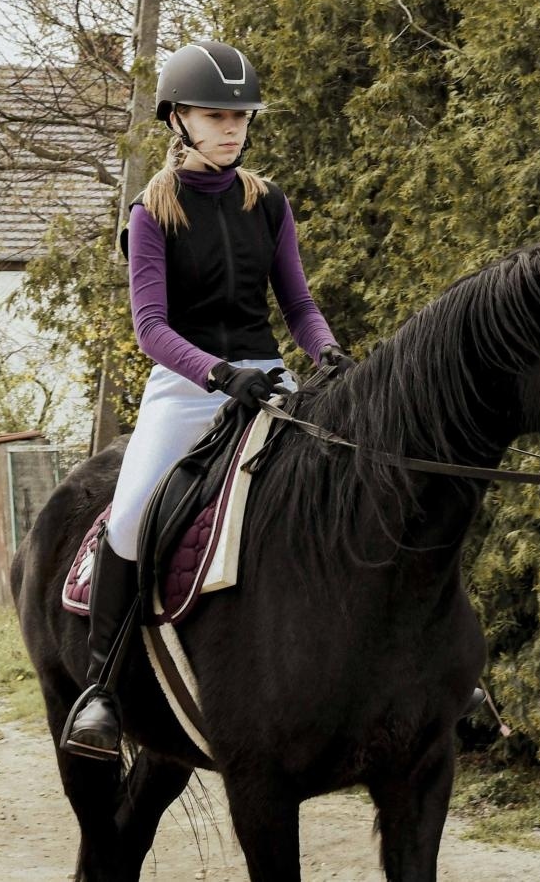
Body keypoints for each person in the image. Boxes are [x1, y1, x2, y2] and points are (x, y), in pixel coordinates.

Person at [62, 40, 353, 761]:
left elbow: (298, 303)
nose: (233, 127)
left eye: (241, 115)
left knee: (356, 481)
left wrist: (328, 353)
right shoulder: (151, 213)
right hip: (188, 388)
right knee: (128, 518)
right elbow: (151, 328)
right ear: (179, 120)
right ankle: (100, 688)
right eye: (216, 114)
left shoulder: (267, 201)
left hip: (271, 381)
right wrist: (221, 374)